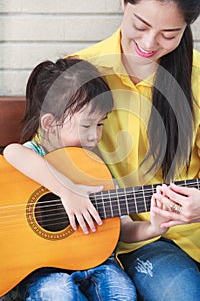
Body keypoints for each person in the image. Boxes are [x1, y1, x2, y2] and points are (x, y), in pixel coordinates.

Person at [4, 0, 200, 301]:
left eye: (169, 34)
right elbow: (35, 164)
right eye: (141, 24)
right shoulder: (81, 76)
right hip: (138, 236)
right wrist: (68, 193)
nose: (149, 43)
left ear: (187, 28)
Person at [3, 58, 137, 301]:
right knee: (58, 293)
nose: (95, 136)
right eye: (87, 125)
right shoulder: (33, 155)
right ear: (50, 124)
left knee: (123, 293)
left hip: (98, 264)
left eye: (100, 124)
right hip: (43, 268)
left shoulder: (93, 167)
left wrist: (156, 225)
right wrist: (68, 191)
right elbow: (13, 152)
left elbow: (126, 228)